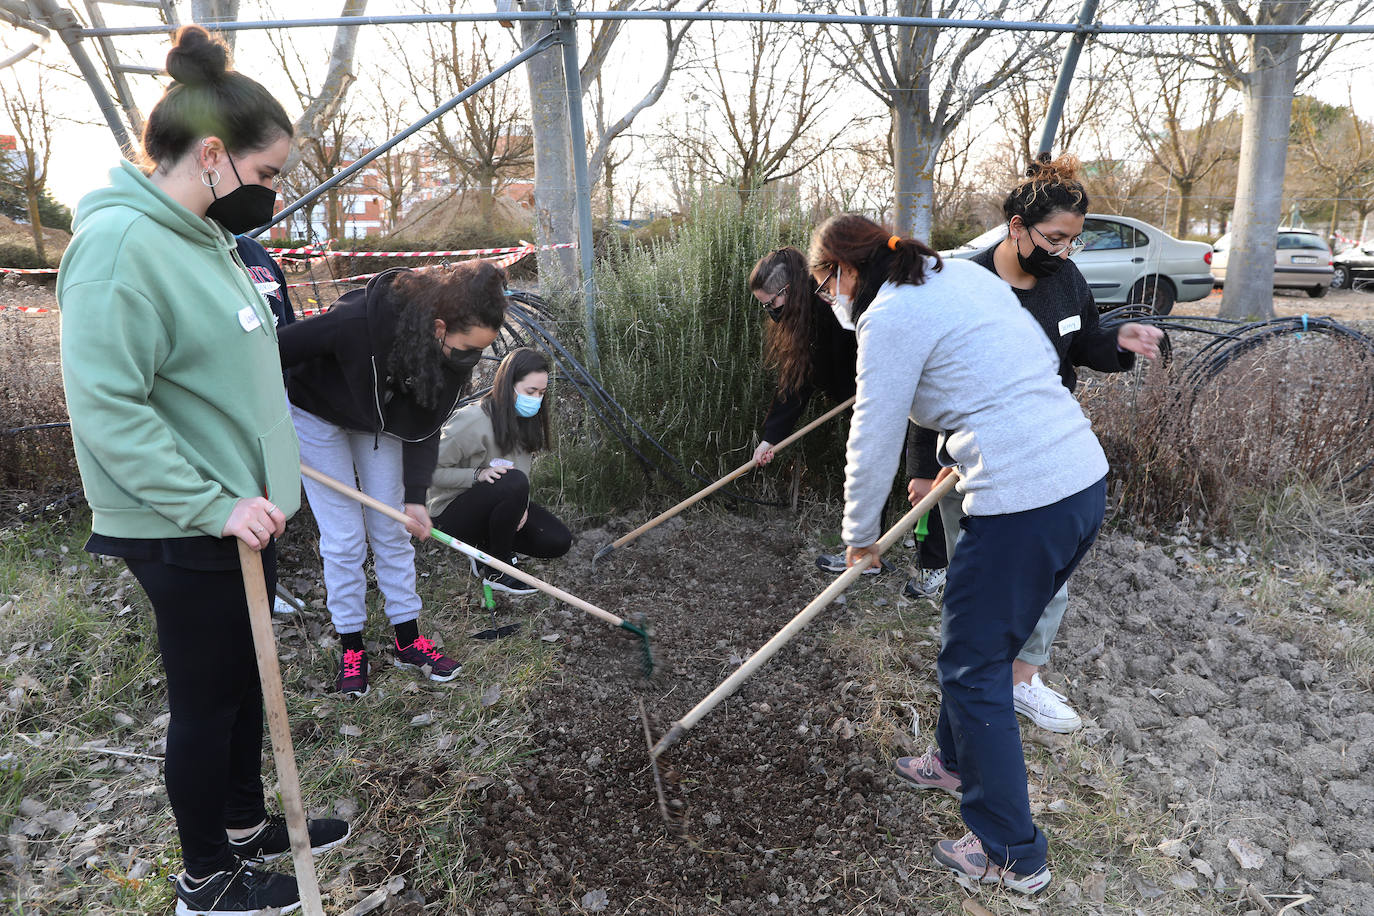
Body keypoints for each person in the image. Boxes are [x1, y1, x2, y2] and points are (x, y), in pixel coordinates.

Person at [57, 25, 347, 915]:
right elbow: (108, 408)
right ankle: (205, 880)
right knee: (208, 698)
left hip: (240, 511)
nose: (271, 196)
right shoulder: (118, 250)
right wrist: (212, 500)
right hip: (183, 523)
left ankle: (244, 822)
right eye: (266, 176)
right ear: (213, 155)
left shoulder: (201, 238)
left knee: (245, 684)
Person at [812, 213, 1107, 895]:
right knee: (981, 644)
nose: (828, 294)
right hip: (1079, 481)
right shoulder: (955, 271)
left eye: (826, 280)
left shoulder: (888, 315)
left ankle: (1012, 853)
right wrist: (966, 443)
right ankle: (950, 760)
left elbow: (873, 433)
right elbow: (1020, 363)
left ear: (847, 271)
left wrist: (860, 535)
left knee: (974, 666)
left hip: (1024, 501)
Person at [906, 154, 1162, 733]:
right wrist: (922, 468)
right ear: (1016, 228)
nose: (1064, 253)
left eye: (1073, 241)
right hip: (972, 462)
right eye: (1054, 239)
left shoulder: (1064, 281)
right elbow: (926, 384)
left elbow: (1084, 345)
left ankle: (1023, 679)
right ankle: (971, 683)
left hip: (1046, 455)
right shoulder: (961, 286)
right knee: (977, 580)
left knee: (1049, 577)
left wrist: (1119, 340)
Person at [278, 260, 508, 698]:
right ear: (438, 327)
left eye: (481, 350)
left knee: (393, 528)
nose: (472, 359)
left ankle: (408, 639)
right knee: (345, 537)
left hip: (375, 421)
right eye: (468, 348)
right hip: (315, 413)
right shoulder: (356, 323)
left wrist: (416, 499)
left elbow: (424, 425)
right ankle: (352, 645)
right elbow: (273, 349)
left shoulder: (450, 361)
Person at [748, 246, 936, 578]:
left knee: (922, 472)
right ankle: (868, 554)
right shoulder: (798, 318)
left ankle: (934, 564)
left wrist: (874, 389)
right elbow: (795, 382)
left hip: (896, 392)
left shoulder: (833, 303)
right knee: (871, 469)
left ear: (788, 290)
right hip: (864, 400)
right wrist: (770, 439)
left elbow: (878, 342)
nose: (769, 311)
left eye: (771, 302)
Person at [428, 347, 573, 594]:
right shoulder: (472, 421)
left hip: (495, 502)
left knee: (558, 541)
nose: (536, 399)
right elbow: (426, 471)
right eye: (530, 391)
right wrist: (475, 475)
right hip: (447, 513)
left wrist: (522, 506)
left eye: (542, 392)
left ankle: (485, 550)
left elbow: (521, 477)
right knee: (513, 482)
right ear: (509, 385)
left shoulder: (525, 421)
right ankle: (497, 570)